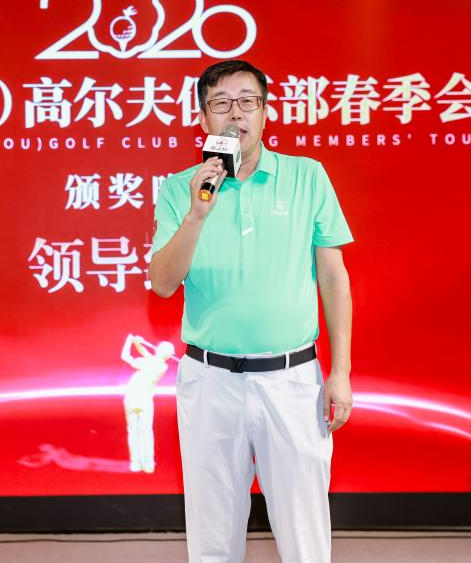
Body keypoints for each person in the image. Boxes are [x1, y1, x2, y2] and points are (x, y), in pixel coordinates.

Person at [149, 59, 354, 563]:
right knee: (213, 533)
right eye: (221, 103)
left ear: (265, 112)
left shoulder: (306, 176)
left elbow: (333, 277)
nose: (235, 114)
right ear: (203, 118)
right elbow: (162, 283)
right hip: (209, 381)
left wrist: (341, 372)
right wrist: (198, 212)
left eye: (247, 101)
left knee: (305, 533)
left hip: (293, 379)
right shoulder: (180, 189)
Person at [120, 333, 176, 473]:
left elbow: (126, 356)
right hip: (141, 401)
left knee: (135, 432)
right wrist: (137, 342)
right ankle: (145, 462)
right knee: (144, 432)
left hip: (134, 399)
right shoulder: (161, 365)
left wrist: (129, 341)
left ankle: (139, 462)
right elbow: (145, 352)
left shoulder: (154, 364)